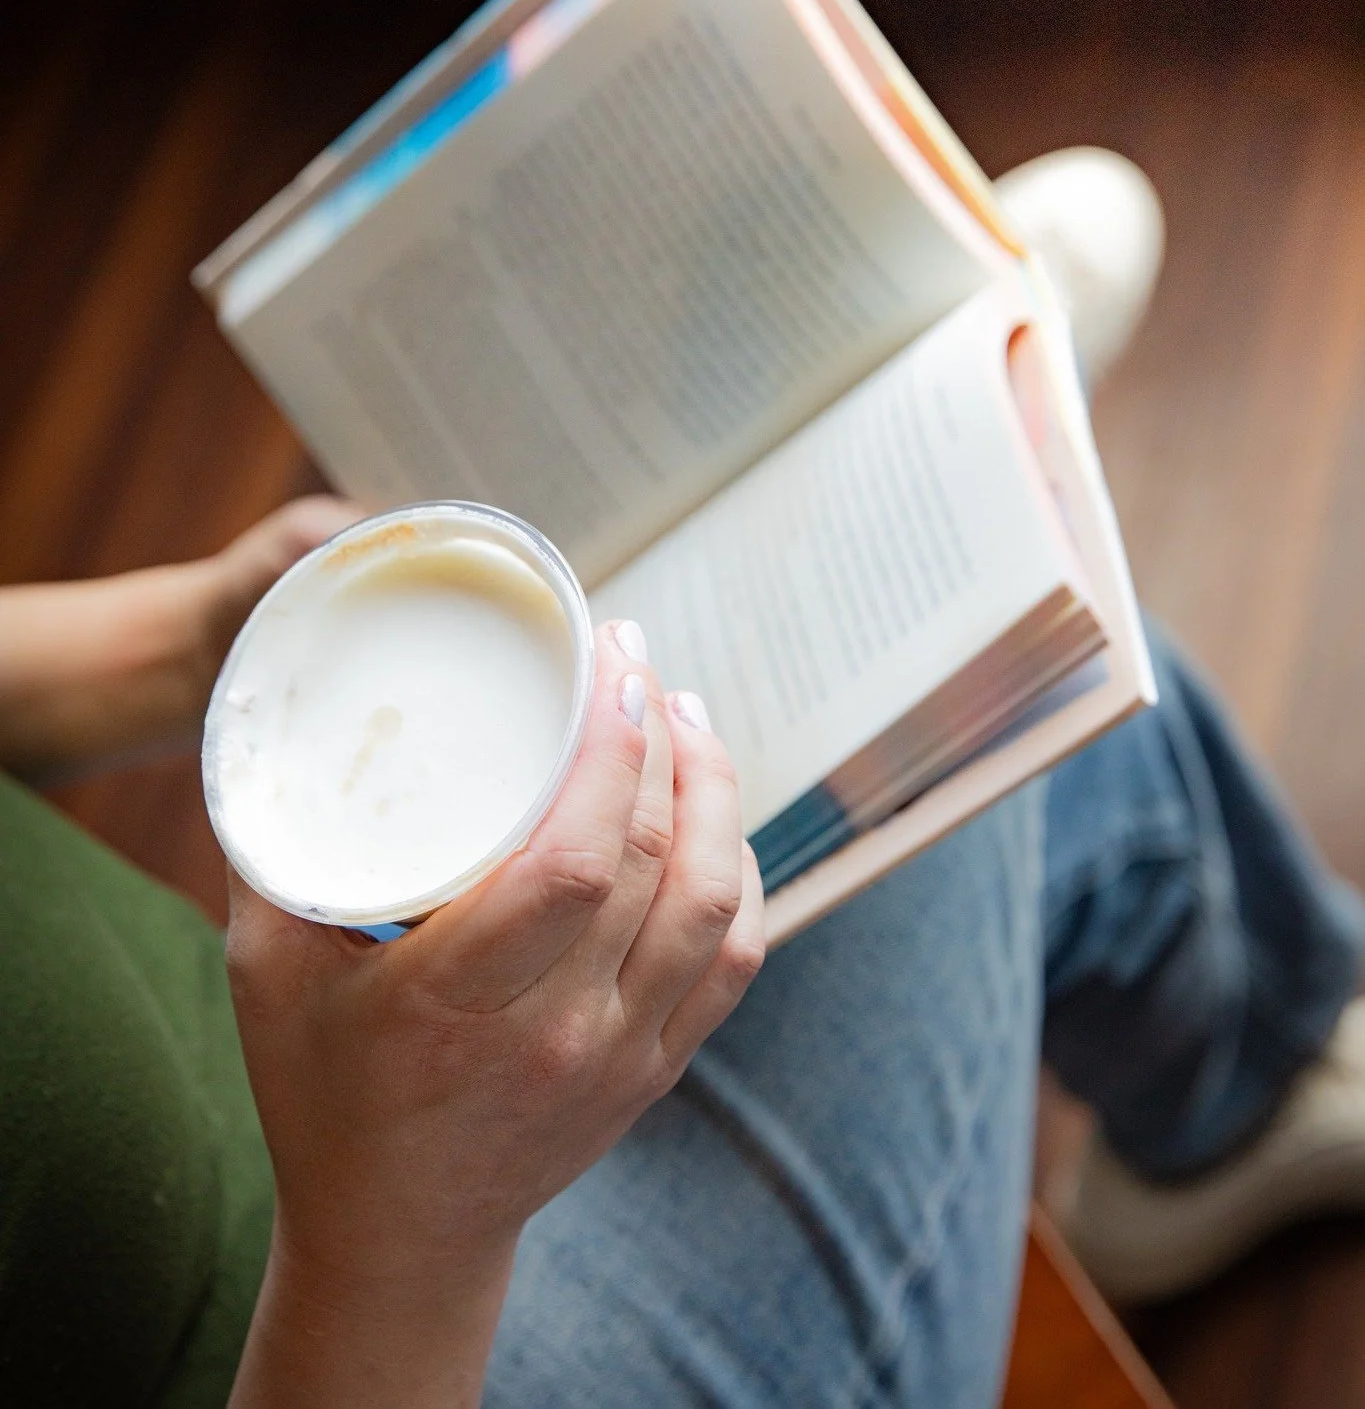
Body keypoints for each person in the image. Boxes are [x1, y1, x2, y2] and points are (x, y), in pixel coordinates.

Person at [3, 150, 1364, 1409]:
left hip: (320, 1132)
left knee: (933, 592)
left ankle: (1229, 1082)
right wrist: (399, 1249)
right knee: (953, 652)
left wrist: (187, 636)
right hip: (370, 1333)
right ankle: (951, 432)